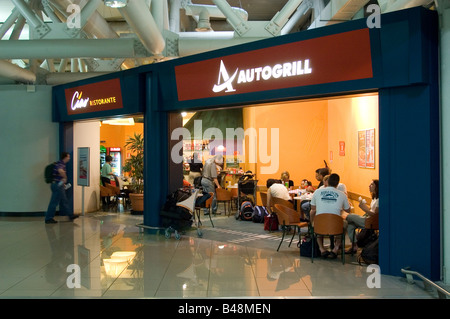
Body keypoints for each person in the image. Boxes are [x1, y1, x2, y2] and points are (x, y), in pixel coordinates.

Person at [310, 173, 350, 259]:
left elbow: (313, 207)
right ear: (337, 183)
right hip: (335, 225)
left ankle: (322, 249)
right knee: (345, 225)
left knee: (317, 227)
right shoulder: (342, 194)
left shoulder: (317, 191)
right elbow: (348, 210)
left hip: (320, 224)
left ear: (327, 182)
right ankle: (335, 249)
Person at [343, 179, 379, 254]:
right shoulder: (374, 198)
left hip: (372, 221)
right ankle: (354, 246)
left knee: (350, 217)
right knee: (350, 226)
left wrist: (364, 209)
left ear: (377, 187)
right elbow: (371, 211)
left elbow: (375, 215)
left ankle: (343, 220)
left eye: (372, 185)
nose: (369, 186)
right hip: (368, 218)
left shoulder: (379, 200)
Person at [45, 152, 79, 224]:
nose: (69, 158)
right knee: (54, 202)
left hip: (58, 185)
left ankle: (70, 215)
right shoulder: (60, 164)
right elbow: (60, 171)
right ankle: (48, 218)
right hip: (57, 185)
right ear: (65, 157)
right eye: (68, 157)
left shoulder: (59, 163)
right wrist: (65, 177)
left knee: (64, 200)